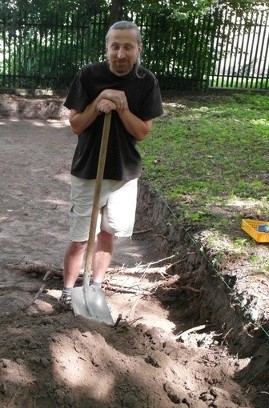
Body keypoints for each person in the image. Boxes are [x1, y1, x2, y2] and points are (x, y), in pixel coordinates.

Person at [60, 20, 164, 308]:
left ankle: (95, 286)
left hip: (123, 173)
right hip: (88, 170)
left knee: (108, 233)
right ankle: (69, 292)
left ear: (138, 49)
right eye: (114, 46)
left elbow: (142, 132)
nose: (120, 53)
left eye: (127, 47)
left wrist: (121, 107)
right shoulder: (88, 75)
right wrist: (100, 99)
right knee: (80, 238)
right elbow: (77, 125)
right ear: (107, 47)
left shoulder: (147, 81)